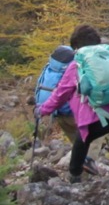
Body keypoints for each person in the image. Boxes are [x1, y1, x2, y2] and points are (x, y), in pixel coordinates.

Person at [35, 25, 109, 185]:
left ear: (76, 46)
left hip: (98, 117)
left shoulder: (77, 64)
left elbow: (60, 94)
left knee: (82, 140)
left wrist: (42, 110)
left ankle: (75, 178)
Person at [34, 45, 101, 175]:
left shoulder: (50, 67)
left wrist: (41, 109)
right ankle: (85, 173)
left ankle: (76, 175)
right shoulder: (73, 67)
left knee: (78, 145)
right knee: (94, 139)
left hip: (58, 114)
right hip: (75, 114)